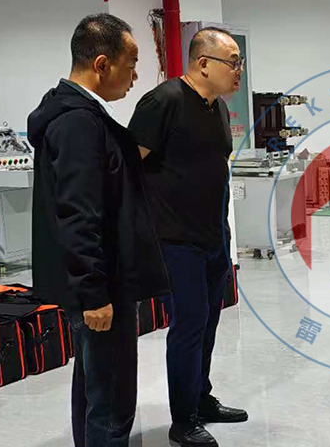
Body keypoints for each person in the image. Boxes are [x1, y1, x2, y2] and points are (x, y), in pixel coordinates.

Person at [28, 13, 170, 447]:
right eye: (132, 65)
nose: (135, 76)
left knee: (96, 386)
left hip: (105, 280)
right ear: (102, 64)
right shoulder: (77, 123)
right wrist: (94, 294)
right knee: (111, 400)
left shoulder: (79, 115)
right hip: (102, 285)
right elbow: (77, 214)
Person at [129, 27, 247, 447]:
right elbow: (126, 170)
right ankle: (183, 420)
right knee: (189, 326)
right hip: (175, 241)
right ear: (203, 64)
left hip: (213, 238)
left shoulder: (216, 108)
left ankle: (201, 398)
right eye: (233, 62)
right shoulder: (162, 102)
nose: (239, 70)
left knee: (209, 322)